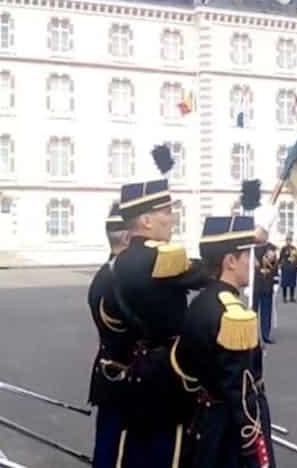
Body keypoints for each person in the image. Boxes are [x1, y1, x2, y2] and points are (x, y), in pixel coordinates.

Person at [111, 146, 204, 465]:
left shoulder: (120, 261)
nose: (171, 217)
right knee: (170, 452)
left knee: (136, 450)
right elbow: (208, 272)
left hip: (135, 373)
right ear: (146, 220)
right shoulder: (162, 257)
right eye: (166, 212)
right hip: (168, 377)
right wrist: (244, 238)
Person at [171, 216, 276, 468]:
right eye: (247, 256)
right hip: (227, 432)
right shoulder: (233, 316)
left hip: (201, 421)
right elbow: (241, 395)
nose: (254, 262)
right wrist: (256, 454)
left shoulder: (200, 303)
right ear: (230, 261)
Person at [87, 204, 134, 468]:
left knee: (107, 447)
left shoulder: (105, 275)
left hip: (110, 373)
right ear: (128, 237)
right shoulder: (122, 280)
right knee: (115, 451)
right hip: (124, 376)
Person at [253, 241, 279, 343]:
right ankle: (255, 335)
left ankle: (265, 335)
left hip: (266, 284)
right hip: (256, 284)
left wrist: (275, 281)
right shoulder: (251, 248)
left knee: (266, 312)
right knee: (254, 312)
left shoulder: (270, 248)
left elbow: (275, 266)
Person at [279, 233, 297, 303]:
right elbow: (281, 258)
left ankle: (292, 297)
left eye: (290, 240)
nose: (289, 241)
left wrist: (296, 263)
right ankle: (284, 297)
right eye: (287, 240)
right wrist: (280, 264)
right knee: (285, 283)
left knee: (292, 283)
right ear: (286, 241)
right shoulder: (283, 248)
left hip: (292, 268)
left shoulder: (294, 248)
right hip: (285, 267)